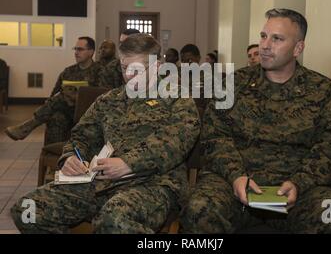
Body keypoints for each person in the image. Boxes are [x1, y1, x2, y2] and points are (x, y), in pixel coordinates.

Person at [180, 8, 331, 233]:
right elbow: (215, 137)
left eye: (277, 39)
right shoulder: (232, 85)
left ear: (298, 48)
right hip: (233, 186)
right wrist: (236, 176)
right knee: (199, 210)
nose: (265, 45)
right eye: (263, 36)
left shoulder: (324, 92)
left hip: (299, 193)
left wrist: (300, 182)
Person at [11, 33, 200, 234]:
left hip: (155, 184)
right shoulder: (109, 100)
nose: (128, 75)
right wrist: (70, 157)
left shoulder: (177, 98)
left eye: (136, 70)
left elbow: (177, 141)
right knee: (27, 209)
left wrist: (129, 163)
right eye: (124, 68)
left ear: (157, 67)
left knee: (114, 219)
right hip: (102, 183)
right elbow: (81, 136)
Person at [5, 37, 105, 144]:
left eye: (80, 49)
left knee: (62, 97)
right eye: (75, 49)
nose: (76, 52)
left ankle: (28, 126)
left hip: (87, 111)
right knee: (56, 117)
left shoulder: (100, 71)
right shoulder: (68, 72)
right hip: (67, 111)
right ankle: (52, 154)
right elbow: (53, 95)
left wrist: (78, 95)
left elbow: (102, 96)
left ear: (91, 52)